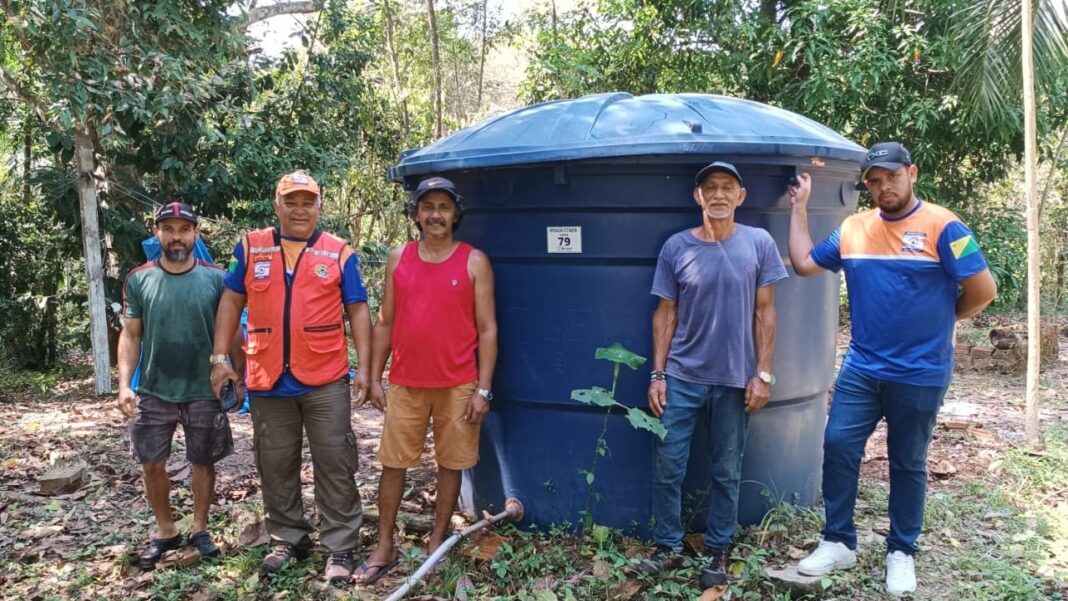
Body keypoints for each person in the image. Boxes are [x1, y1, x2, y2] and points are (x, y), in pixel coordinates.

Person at [788, 142, 997, 596]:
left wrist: (941, 321)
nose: (884, 187)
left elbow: (983, 290)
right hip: (863, 368)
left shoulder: (945, 226)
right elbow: (804, 264)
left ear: (912, 173)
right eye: (875, 181)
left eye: (892, 177)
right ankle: (838, 540)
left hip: (920, 372)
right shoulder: (852, 229)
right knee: (838, 444)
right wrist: (799, 207)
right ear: (867, 186)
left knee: (907, 462)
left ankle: (901, 551)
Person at [209, 171, 372, 583]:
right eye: (291, 201)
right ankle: (288, 537)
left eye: (308, 201)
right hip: (267, 378)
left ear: (320, 206)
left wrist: (367, 369)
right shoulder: (250, 247)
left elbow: (358, 311)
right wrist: (219, 359)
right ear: (276, 204)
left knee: (335, 460)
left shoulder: (339, 252)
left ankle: (340, 547)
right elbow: (230, 302)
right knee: (275, 462)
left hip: (325, 378)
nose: (300, 209)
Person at [640, 162, 787, 589]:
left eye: (727, 188)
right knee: (668, 466)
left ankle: (718, 550)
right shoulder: (676, 248)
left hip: (735, 380)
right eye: (710, 188)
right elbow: (664, 315)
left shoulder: (759, 243)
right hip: (682, 378)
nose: (718, 195)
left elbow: (766, 311)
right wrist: (657, 374)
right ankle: (667, 546)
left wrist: (763, 374)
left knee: (726, 470)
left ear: (740, 196)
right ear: (697, 196)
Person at [356, 177, 497, 585]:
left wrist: (483, 389)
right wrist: (375, 376)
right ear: (416, 214)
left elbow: (487, 329)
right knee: (393, 463)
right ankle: (384, 543)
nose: (436, 215)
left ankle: (436, 539)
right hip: (405, 382)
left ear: (456, 215)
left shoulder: (474, 261)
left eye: (444, 207)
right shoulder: (399, 256)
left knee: (451, 463)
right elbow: (385, 320)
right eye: (428, 207)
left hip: (458, 385)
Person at [117, 202, 233, 569]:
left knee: (203, 460)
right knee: (152, 462)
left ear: (197, 234)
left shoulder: (216, 278)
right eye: (169, 229)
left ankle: (199, 528)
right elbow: (131, 335)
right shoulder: (139, 279)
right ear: (157, 233)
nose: (177, 236)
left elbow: (232, 330)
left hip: (205, 387)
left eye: (184, 229)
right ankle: (166, 530)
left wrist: (237, 377)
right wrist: (124, 385)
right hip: (154, 388)